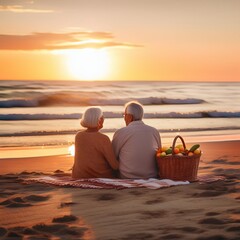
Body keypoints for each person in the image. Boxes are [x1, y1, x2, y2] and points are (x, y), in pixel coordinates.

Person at [112, 101, 161, 179]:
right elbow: (159, 154)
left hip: (127, 177)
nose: (124, 118)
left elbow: (113, 157)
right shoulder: (154, 131)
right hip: (151, 176)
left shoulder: (120, 132)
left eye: (125, 115)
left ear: (130, 117)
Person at [72, 107, 119, 179]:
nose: (104, 119)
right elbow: (114, 166)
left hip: (79, 176)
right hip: (100, 176)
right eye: (102, 117)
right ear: (99, 120)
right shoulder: (103, 138)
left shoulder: (78, 136)